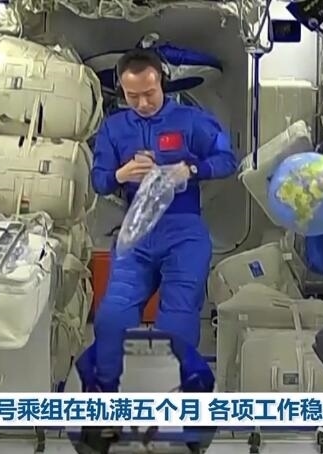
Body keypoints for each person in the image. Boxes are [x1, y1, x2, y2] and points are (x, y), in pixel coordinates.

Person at [85, 48, 238, 392]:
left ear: (162, 83)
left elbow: (228, 159)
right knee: (111, 318)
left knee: (178, 321)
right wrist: (121, 174)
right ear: (121, 91)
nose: (142, 103)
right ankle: (107, 395)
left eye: (149, 93)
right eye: (132, 96)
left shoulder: (191, 120)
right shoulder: (114, 128)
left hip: (183, 231)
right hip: (137, 232)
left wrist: (191, 169)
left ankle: (183, 396)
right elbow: (99, 181)